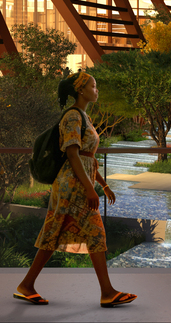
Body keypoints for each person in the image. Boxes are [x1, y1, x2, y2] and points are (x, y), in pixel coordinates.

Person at [15, 73, 134, 309]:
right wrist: (91, 190)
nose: (96, 90)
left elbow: (87, 158)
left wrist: (103, 185)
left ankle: (26, 285)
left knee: (54, 233)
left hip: (80, 183)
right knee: (94, 232)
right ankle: (107, 292)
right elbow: (72, 154)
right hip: (72, 186)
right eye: (93, 86)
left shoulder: (84, 117)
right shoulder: (72, 116)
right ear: (81, 90)